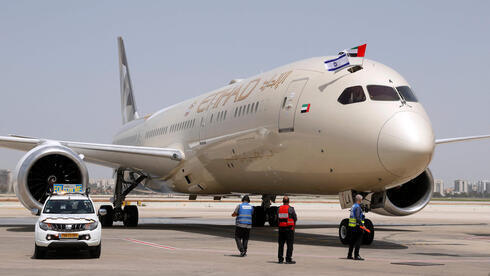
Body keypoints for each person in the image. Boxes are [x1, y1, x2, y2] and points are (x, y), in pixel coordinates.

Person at [277, 196, 297, 264]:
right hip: (289, 229)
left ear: (283, 201)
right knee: (290, 245)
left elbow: (277, 218)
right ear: (288, 201)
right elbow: (295, 218)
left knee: (281, 245)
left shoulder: (279, 208)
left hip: (281, 229)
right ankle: (288, 259)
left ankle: (280, 259)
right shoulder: (291, 209)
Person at [347, 194, 365, 261]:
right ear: (359, 200)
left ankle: (349, 255)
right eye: (361, 199)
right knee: (358, 241)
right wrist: (362, 225)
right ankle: (356, 255)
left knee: (352, 241)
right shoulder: (357, 207)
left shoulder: (353, 206)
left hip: (352, 226)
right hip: (357, 226)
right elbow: (357, 217)